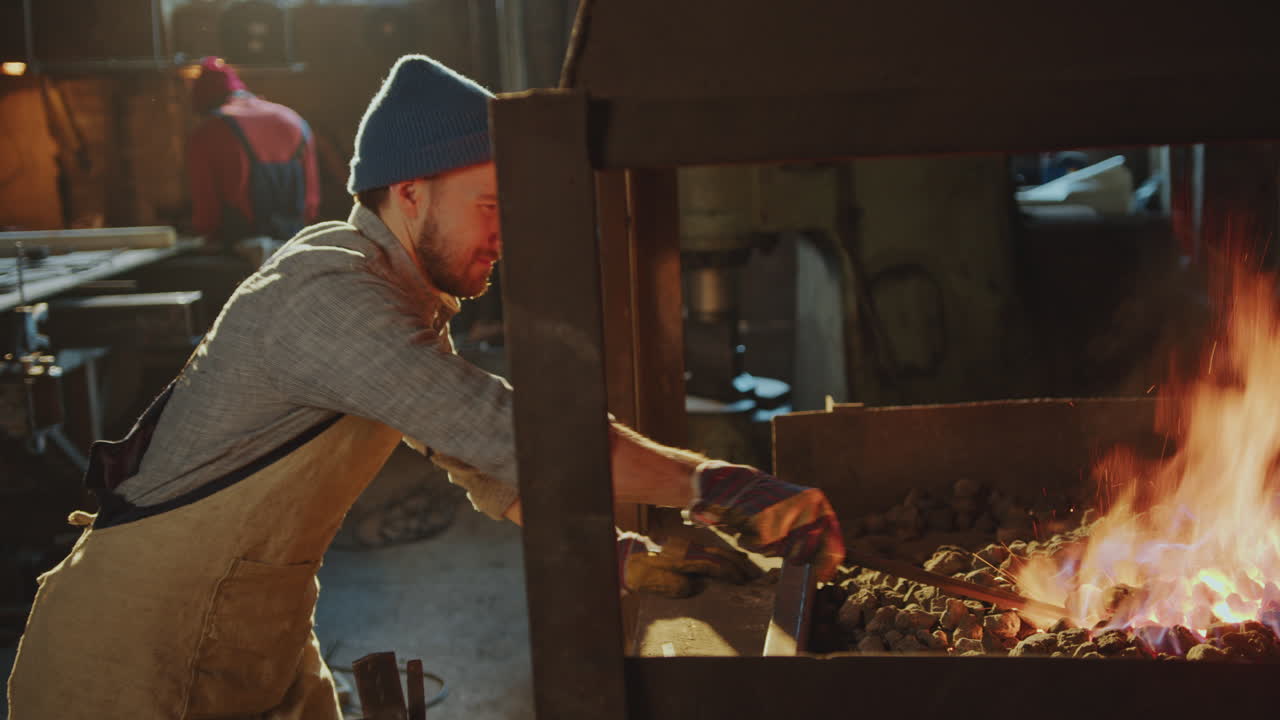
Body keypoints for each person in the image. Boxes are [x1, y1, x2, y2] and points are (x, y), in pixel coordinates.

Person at [6, 55, 844, 719]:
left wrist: (622, 556)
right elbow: (506, 432)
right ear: (410, 193)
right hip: (132, 660)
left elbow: (481, 466)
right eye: (489, 206)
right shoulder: (332, 292)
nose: (503, 237)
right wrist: (713, 483)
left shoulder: (398, 294)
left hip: (253, 634)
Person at [186, 56, 320, 260]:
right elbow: (311, 202)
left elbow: (206, 212)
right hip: (294, 248)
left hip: (239, 255)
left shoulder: (210, 130)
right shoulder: (293, 120)